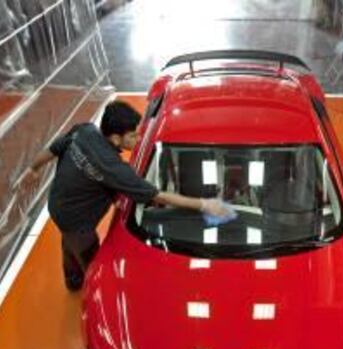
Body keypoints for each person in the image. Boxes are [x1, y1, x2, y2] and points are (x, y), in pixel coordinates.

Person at [28, 100, 229, 290]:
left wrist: (33, 169)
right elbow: (158, 196)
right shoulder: (114, 169)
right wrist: (203, 204)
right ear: (116, 138)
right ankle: (88, 284)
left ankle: (72, 278)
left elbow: (53, 149)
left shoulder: (84, 130)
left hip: (57, 202)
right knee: (90, 259)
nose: (139, 138)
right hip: (78, 222)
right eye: (133, 135)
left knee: (69, 242)